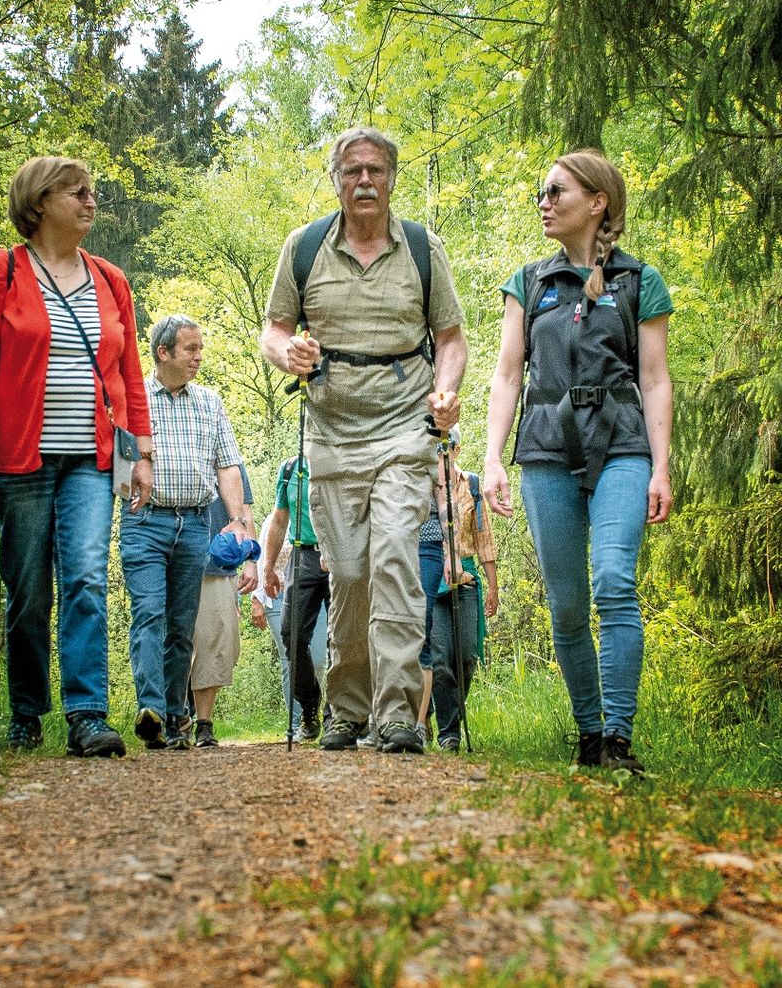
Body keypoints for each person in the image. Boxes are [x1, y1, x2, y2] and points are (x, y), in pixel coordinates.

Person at [261, 126, 467, 754]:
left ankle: (399, 713)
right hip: (331, 435)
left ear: (393, 178)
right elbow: (272, 330)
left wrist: (447, 391)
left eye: (376, 170)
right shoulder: (304, 249)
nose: (365, 182)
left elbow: (451, 339)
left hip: (406, 430)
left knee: (395, 560)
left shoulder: (424, 252)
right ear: (336, 180)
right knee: (348, 573)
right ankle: (347, 709)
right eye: (352, 172)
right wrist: (287, 353)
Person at [0, 155, 153, 757]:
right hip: (19, 455)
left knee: (88, 578)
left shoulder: (112, 280)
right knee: (27, 589)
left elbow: (130, 374)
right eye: (77, 193)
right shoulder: (0, 272)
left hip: (91, 459)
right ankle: (26, 712)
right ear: (39, 204)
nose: (92, 202)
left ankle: (87, 713)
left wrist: (141, 454)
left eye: (92, 192)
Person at [483, 149, 673, 774]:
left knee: (614, 580)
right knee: (566, 603)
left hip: (622, 444)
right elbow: (508, 375)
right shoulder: (529, 283)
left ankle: (619, 736)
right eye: (541, 192)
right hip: (543, 445)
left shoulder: (641, 282)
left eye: (556, 191)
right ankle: (588, 734)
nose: (544, 201)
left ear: (597, 203)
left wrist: (662, 466)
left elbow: (655, 379)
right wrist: (491, 459)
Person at [119, 314, 248, 751]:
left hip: (194, 524)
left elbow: (227, 463)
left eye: (200, 349)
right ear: (164, 353)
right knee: (149, 614)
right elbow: (117, 462)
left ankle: (175, 720)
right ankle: (151, 708)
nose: (198, 357)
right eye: (190, 349)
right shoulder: (134, 399)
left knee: (181, 627)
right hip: (145, 522)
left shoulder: (210, 403)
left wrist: (238, 518)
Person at [419, 426, 499, 752]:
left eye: (447, 448)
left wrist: (493, 586)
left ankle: (445, 710)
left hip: (465, 581)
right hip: (433, 581)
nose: (443, 454)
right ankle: (448, 732)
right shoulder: (423, 485)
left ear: (457, 449)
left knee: (466, 656)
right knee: (438, 658)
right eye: (437, 449)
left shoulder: (473, 486)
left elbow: (484, 538)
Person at [262, 455, 331, 741]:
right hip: (302, 555)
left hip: (338, 554)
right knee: (291, 634)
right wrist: (268, 566)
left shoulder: (339, 459)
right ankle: (309, 705)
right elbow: (279, 520)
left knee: (341, 636)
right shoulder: (290, 469)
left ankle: (337, 714)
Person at [190, 461, 258, 748]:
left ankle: (203, 724)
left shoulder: (232, 464)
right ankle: (176, 713)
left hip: (218, 567)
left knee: (218, 645)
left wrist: (252, 561)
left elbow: (246, 514)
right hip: (172, 560)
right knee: (176, 642)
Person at [251, 513, 328, 739]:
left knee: (318, 658)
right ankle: (296, 723)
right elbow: (262, 559)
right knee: (290, 656)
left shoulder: (314, 523)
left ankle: (312, 706)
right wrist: (257, 599)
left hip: (315, 594)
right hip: (277, 596)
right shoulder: (274, 522)